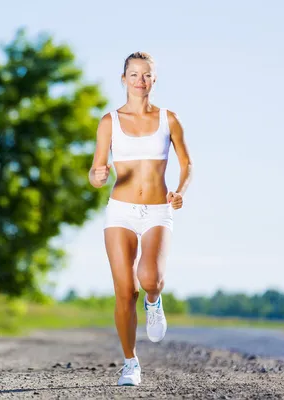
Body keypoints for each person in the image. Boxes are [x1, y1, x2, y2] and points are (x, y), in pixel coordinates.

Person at [88, 51, 192, 386]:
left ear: (154, 80)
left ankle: (154, 300)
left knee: (149, 279)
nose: (140, 81)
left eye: (146, 75)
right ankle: (130, 362)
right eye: (133, 75)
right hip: (120, 210)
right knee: (122, 291)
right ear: (124, 80)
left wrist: (180, 190)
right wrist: (98, 175)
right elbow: (96, 169)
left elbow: (187, 164)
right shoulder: (109, 122)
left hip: (159, 210)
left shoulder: (169, 119)